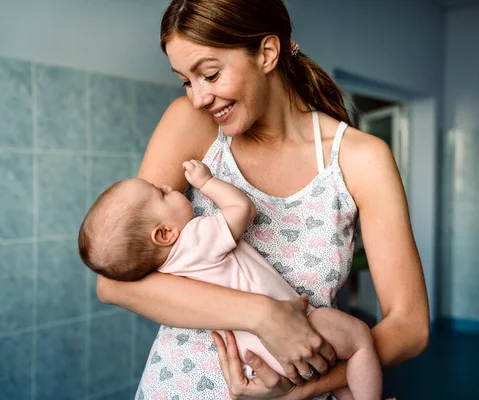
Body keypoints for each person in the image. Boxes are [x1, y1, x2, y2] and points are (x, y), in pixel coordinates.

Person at [95, 0, 430, 398]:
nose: (199, 97)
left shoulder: (361, 159)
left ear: (267, 53)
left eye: (210, 74)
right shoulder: (190, 123)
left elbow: (409, 327)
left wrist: (299, 391)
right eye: (186, 80)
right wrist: (264, 316)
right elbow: (114, 284)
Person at [79, 160, 382, 399]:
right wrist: (206, 182)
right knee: (358, 338)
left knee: (340, 362)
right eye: (161, 193)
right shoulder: (195, 239)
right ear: (164, 234)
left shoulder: (166, 271)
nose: (167, 185)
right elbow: (242, 209)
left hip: (254, 360)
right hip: (293, 332)